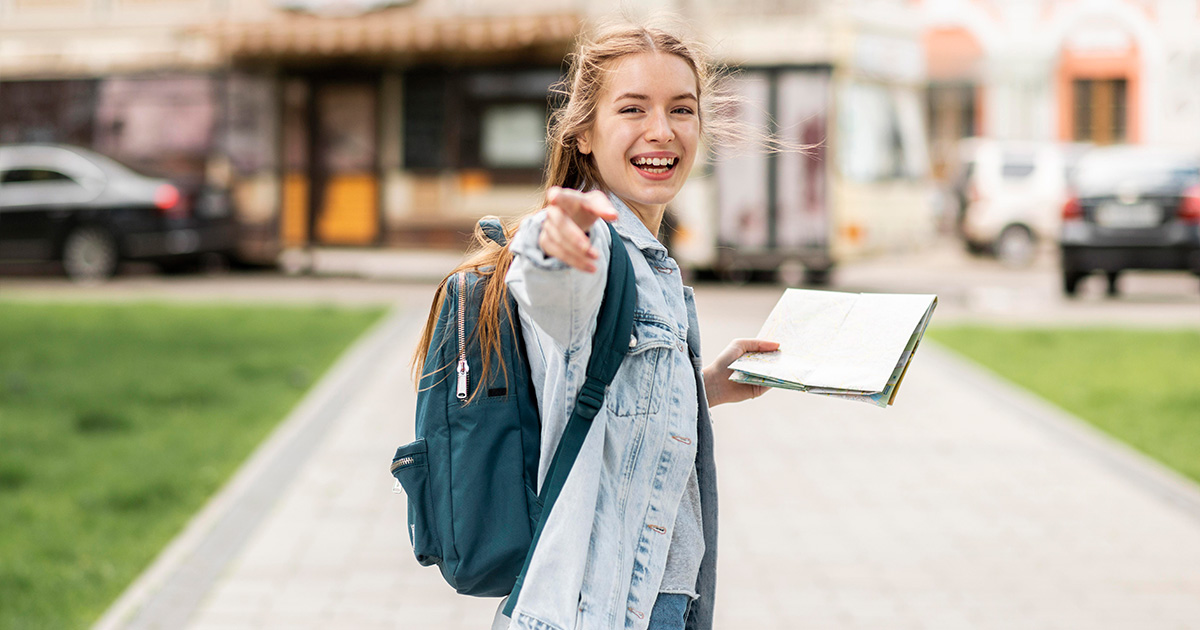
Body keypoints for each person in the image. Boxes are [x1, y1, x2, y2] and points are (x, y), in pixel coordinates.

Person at [414, 18, 780, 630]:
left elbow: (603, 392)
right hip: (611, 610)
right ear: (583, 132)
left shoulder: (649, 262)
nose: (661, 131)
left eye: (681, 110)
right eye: (633, 108)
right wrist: (556, 243)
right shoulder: (597, 251)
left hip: (655, 601)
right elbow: (555, 286)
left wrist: (704, 385)